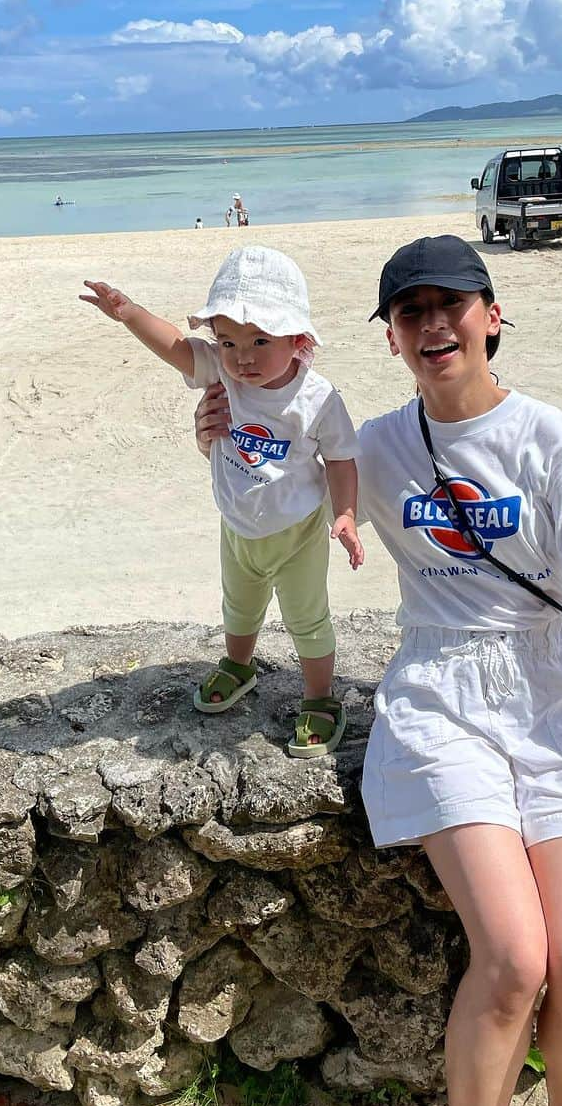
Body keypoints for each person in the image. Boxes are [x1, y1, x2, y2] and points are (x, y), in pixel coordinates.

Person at [192, 235, 562, 1106]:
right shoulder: (375, 447)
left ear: (491, 316)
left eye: (453, 304)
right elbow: (271, 482)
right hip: (442, 693)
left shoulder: (556, 443)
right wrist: (220, 432)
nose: (434, 323)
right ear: (391, 340)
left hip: (555, 697)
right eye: (412, 311)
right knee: (516, 959)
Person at [80, 245, 364, 756]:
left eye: (260, 340)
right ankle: (239, 664)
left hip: (296, 531)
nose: (243, 357)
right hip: (235, 524)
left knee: (307, 616)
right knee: (238, 603)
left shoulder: (318, 397)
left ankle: (321, 696)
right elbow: (174, 346)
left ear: (298, 339)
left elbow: (342, 459)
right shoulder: (220, 371)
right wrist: (128, 313)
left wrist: (345, 513)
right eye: (229, 341)